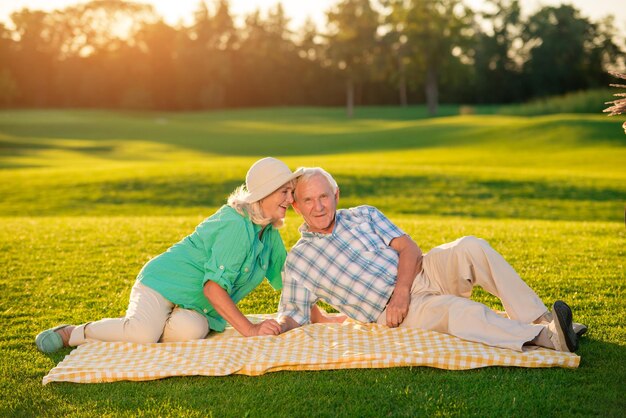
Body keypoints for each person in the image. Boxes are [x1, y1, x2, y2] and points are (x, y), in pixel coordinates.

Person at [277, 167, 586, 353]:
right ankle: (547, 338)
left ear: (336, 195)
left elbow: (409, 247)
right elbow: (292, 315)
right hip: (395, 312)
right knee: (457, 312)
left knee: (471, 246)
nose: (318, 206)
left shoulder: (363, 214)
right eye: (308, 200)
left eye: (324, 196)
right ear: (296, 207)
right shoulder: (300, 261)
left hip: (422, 271)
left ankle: (540, 318)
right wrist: (271, 328)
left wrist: (402, 289)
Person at [36, 157, 302, 353]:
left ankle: (154, 326)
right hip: (163, 283)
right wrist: (251, 330)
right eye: (284, 192)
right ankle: (73, 333)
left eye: (291, 192)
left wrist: (317, 316)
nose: (290, 200)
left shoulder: (269, 237)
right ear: (263, 194)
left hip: (194, 304)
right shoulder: (236, 225)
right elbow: (212, 288)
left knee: (192, 332)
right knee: (143, 334)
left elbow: (288, 281)